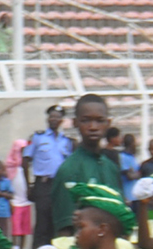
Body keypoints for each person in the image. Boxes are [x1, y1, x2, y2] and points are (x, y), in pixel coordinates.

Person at [49, 95, 123, 237]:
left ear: (108, 123)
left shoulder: (111, 168)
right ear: (75, 123)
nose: (93, 127)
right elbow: (65, 230)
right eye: (86, 120)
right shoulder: (68, 170)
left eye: (99, 121)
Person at [22, 104, 75, 249]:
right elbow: (25, 159)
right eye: (51, 116)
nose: (54, 119)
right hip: (43, 184)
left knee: (57, 220)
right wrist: (29, 186)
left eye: (57, 117)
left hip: (61, 186)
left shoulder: (67, 141)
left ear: (61, 120)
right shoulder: (38, 137)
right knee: (42, 222)